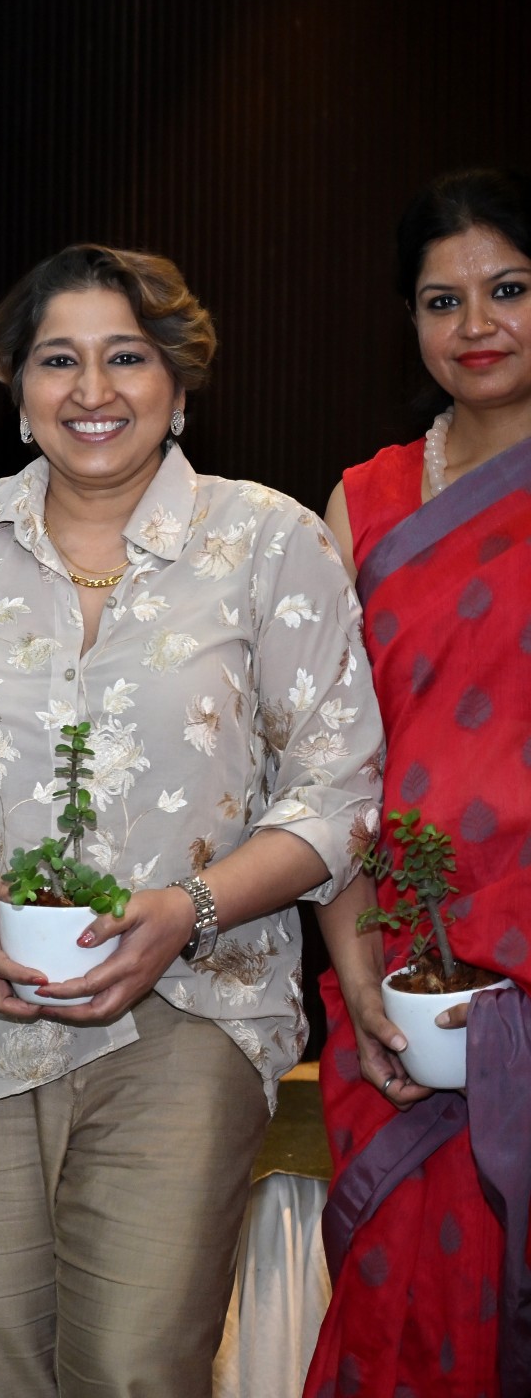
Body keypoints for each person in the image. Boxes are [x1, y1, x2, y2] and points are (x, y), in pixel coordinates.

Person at [0, 244, 383, 1397]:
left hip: (191, 1001)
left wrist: (190, 909)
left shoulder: (270, 543)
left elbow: (336, 789)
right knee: (4, 1369)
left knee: (135, 1368)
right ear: (17, 387)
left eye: (126, 357)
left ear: (178, 381)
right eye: (57, 360)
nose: (92, 390)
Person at [305, 168, 531, 1398]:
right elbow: (321, 757)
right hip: (406, 961)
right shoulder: (366, 500)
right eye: (444, 300)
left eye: (510, 289)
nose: (477, 324)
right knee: (411, 1302)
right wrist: (354, 964)